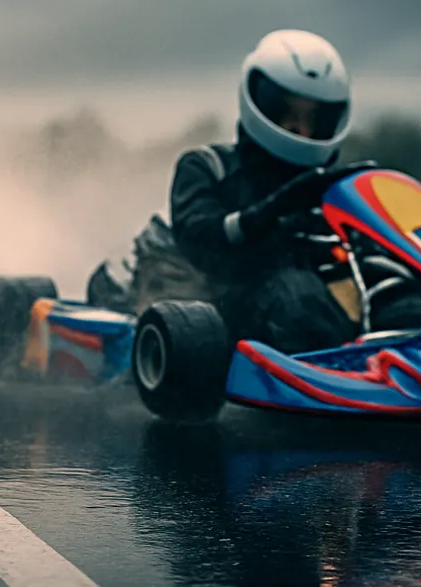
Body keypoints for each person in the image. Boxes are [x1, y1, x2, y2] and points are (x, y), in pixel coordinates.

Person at [93, 29, 362, 353]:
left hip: (293, 304)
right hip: (205, 298)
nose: (300, 129)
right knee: (292, 293)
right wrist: (269, 215)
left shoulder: (335, 188)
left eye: (313, 118)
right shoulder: (208, 167)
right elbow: (199, 236)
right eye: (286, 113)